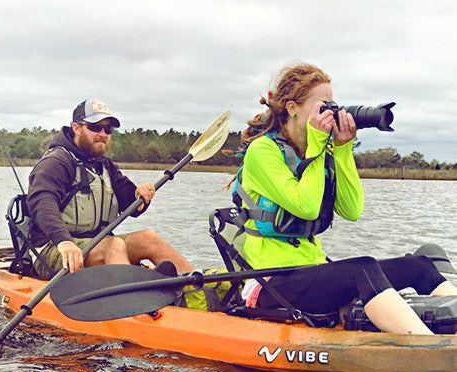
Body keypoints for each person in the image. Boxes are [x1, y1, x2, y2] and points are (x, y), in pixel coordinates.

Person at [230, 62, 456, 335]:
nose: (331, 112)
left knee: (418, 267)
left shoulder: (320, 150)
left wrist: (343, 149)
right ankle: (427, 349)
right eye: (322, 106)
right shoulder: (262, 151)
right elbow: (307, 208)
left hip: (310, 270)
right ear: (292, 108)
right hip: (269, 284)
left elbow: (351, 210)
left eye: (333, 105)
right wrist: (317, 145)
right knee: (362, 269)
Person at [27, 98, 194, 279]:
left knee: (148, 238)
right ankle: (131, 300)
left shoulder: (105, 165)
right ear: (76, 128)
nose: (103, 133)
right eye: (95, 127)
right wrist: (64, 241)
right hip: (53, 249)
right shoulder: (56, 162)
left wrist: (140, 196)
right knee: (113, 245)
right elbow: (41, 204)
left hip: (95, 245)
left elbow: (130, 201)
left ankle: (201, 289)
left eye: (108, 129)